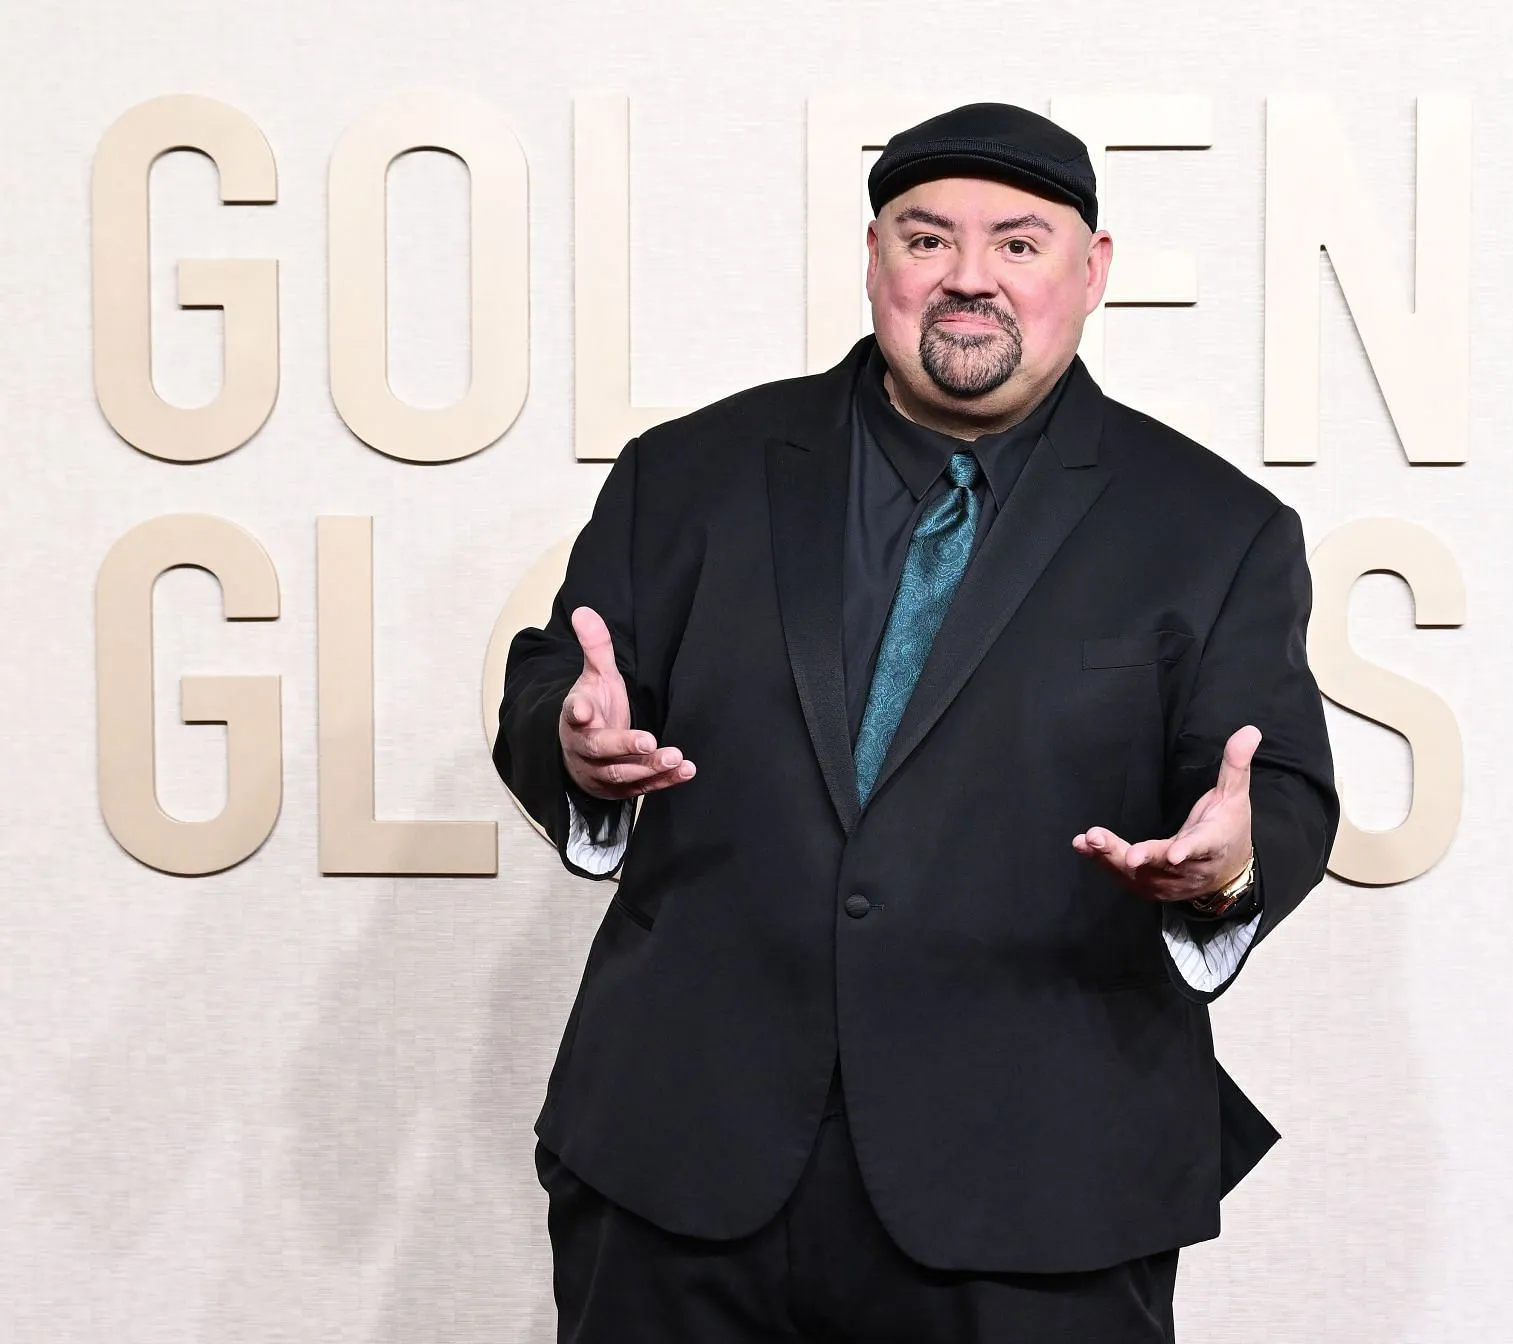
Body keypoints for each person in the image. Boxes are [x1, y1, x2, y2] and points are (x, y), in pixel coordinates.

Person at [493, 101, 1338, 1343]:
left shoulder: (1214, 530)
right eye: (927, 239)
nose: (967, 280)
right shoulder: (691, 471)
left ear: (1092, 271)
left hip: (1039, 1189)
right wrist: (573, 748)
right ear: (876, 258)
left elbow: (1281, 788)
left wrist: (1230, 864)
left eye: (1017, 243)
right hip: (685, 1162)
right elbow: (557, 681)